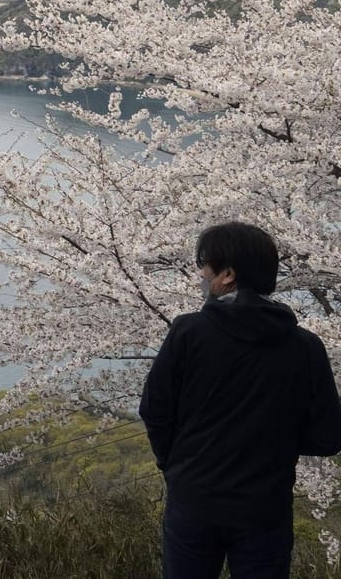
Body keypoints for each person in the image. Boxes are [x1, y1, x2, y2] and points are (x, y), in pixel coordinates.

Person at [139, 221, 341, 578]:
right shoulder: (306, 347)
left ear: (228, 274)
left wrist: (176, 466)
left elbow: (155, 411)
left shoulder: (189, 332)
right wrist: (277, 446)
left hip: (195, 500)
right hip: (266, 506)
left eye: (206, 266)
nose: (202, 275)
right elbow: (328, 438)